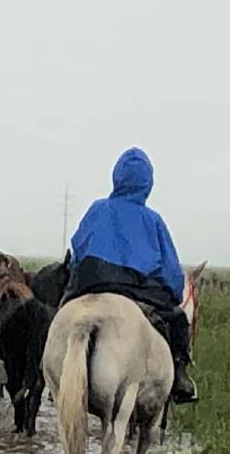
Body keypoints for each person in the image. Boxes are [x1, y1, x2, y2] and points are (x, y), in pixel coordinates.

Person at [63, 147, 198, 404]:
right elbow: (170, 272)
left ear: (116, 177)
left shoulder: (97, 209)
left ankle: (46, 372)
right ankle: (180, 378)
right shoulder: (153, 220)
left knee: (59, 315)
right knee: (178, 320)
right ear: (148, 183)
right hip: (138, 289)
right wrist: (173, 290)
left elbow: (78, 247)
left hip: (92, 283)